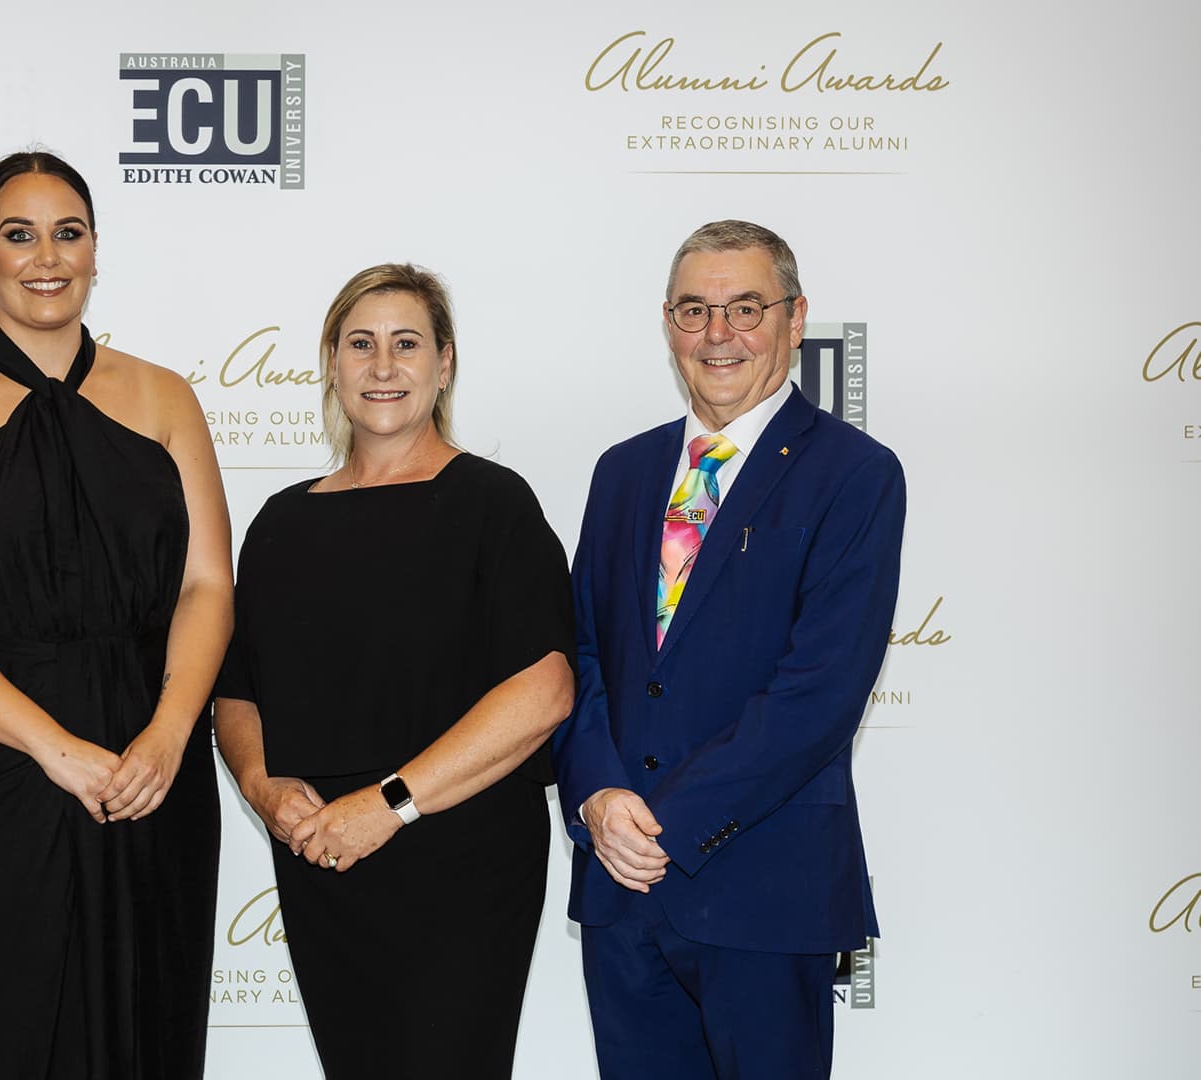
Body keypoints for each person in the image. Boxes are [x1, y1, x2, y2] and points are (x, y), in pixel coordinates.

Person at [0, 150, 231, 1077]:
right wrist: (54, 748)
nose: (46, 256)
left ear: (97, 250)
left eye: (68, 232)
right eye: (18, 235)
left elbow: (207, 586)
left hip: (150, 772)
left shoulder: (166, 398)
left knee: (148, 1029)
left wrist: (170, 736)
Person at [553, 220, 905, 1079]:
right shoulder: (622, 471)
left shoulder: (855, 474)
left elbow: (818, 693)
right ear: (667, 322)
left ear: (795, 318)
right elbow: (581, 653)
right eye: (694, 310)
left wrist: (664, 822)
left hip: (762, 888)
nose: (718, 335)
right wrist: (598, 795)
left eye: (745, 308)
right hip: (620, 889)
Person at [213, 263, 575, 1076]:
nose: (383, 367)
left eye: (406, 344)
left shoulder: (494, 504)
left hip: (461, 868)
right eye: (361, 345)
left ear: (444, 364)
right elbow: (237, 693)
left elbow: (545, 688)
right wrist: (265, 790)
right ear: (332, 365)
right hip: (325, 864)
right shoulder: (280, 523)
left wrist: (389, 806)